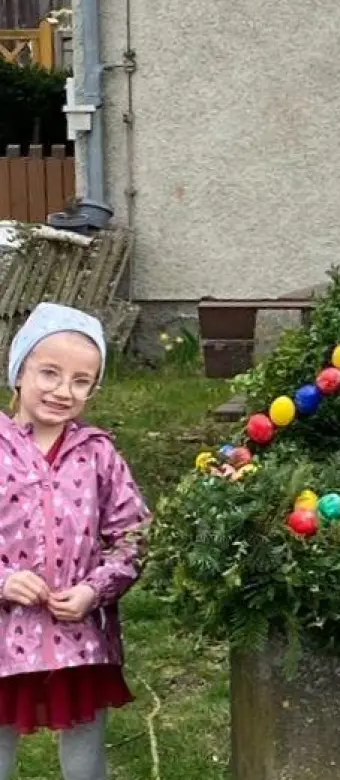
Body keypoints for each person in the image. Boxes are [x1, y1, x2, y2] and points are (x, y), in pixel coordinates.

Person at [0, 304, 149, 780]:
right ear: (19, 370)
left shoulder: (100, 454)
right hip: (3, 636)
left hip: (79, 638)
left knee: (85, 754)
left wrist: (96, 589)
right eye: (49, 373)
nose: (63, 391)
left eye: (81, 381)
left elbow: (133, 535)